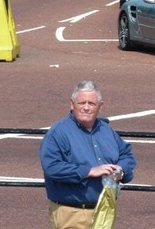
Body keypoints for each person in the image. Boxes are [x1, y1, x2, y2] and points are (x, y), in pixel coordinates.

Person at [40, 80, 136, 229]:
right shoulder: (58, 133)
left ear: (100, 107)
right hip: (72, 213)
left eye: (91, 103)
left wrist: (121, 170)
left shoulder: (106, 130)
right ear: (72, 104)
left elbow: (126, 155)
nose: (86, 107)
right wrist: (89, 171)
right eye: (81, 103)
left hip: (104, 210)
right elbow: (52, 167)